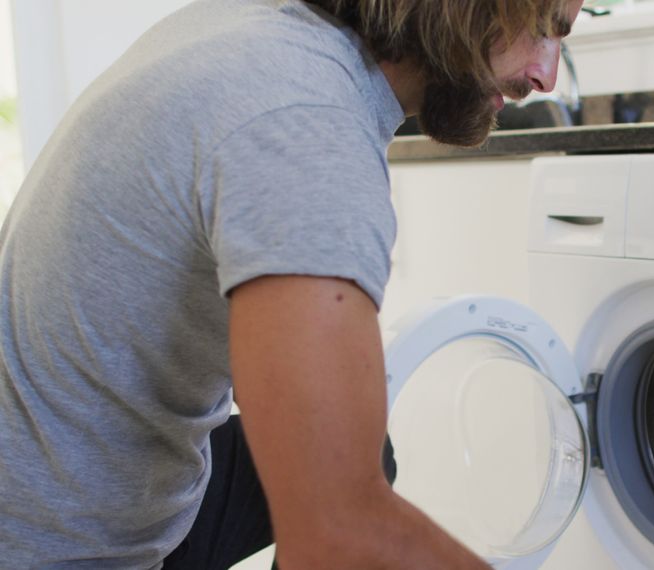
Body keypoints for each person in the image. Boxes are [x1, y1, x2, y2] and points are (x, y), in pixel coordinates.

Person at [0, 0, 584, 567]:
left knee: (360, 458)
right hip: (62, 547)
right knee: (342, 517)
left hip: (44, 483)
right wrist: (336, 521)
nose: (547, 75)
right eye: (540, 27)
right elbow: (340, 538)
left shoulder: (256, 32)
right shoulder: (305, 125)